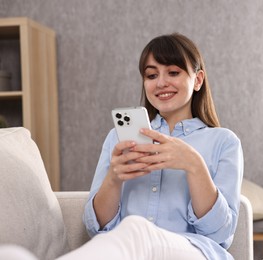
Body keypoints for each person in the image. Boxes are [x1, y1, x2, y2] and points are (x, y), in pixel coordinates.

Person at [58, 33, 244, 260]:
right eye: (151, 75)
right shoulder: (118, 139)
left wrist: (194, 165)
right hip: (128, 250)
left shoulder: (224, 142)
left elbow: (221, 234)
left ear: (197, 80)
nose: (161, 82)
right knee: (131, 232)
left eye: (173, 72)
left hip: (194, 251)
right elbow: (96, 229)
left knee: (136, 228)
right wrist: (114, 179)